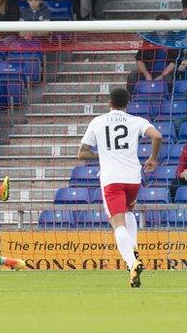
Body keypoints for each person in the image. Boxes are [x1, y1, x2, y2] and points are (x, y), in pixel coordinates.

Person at [77, 88, 162, 288]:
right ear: (128, 104)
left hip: (112, 179)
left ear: (109, 103)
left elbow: (82, 153)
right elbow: (157, 136)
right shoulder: (136, 121)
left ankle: (132, 262)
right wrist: (152, 158)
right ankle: (132, 251)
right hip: (133, 178)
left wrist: (104, 154)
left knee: (117, 223)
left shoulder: (98, 122)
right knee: (128, 213)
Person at [126, 14, 180, 96]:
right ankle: (131, 100)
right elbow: (139, 60)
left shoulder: (174, 39)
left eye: (164, 25)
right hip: (149, 72)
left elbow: (173, 62)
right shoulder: (148, 38)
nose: (162, 28)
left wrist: (161, 76)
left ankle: (168, 101)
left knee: (168, 78)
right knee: (132, 75)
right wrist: (147, 75)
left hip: (166, 73)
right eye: (159, 25)